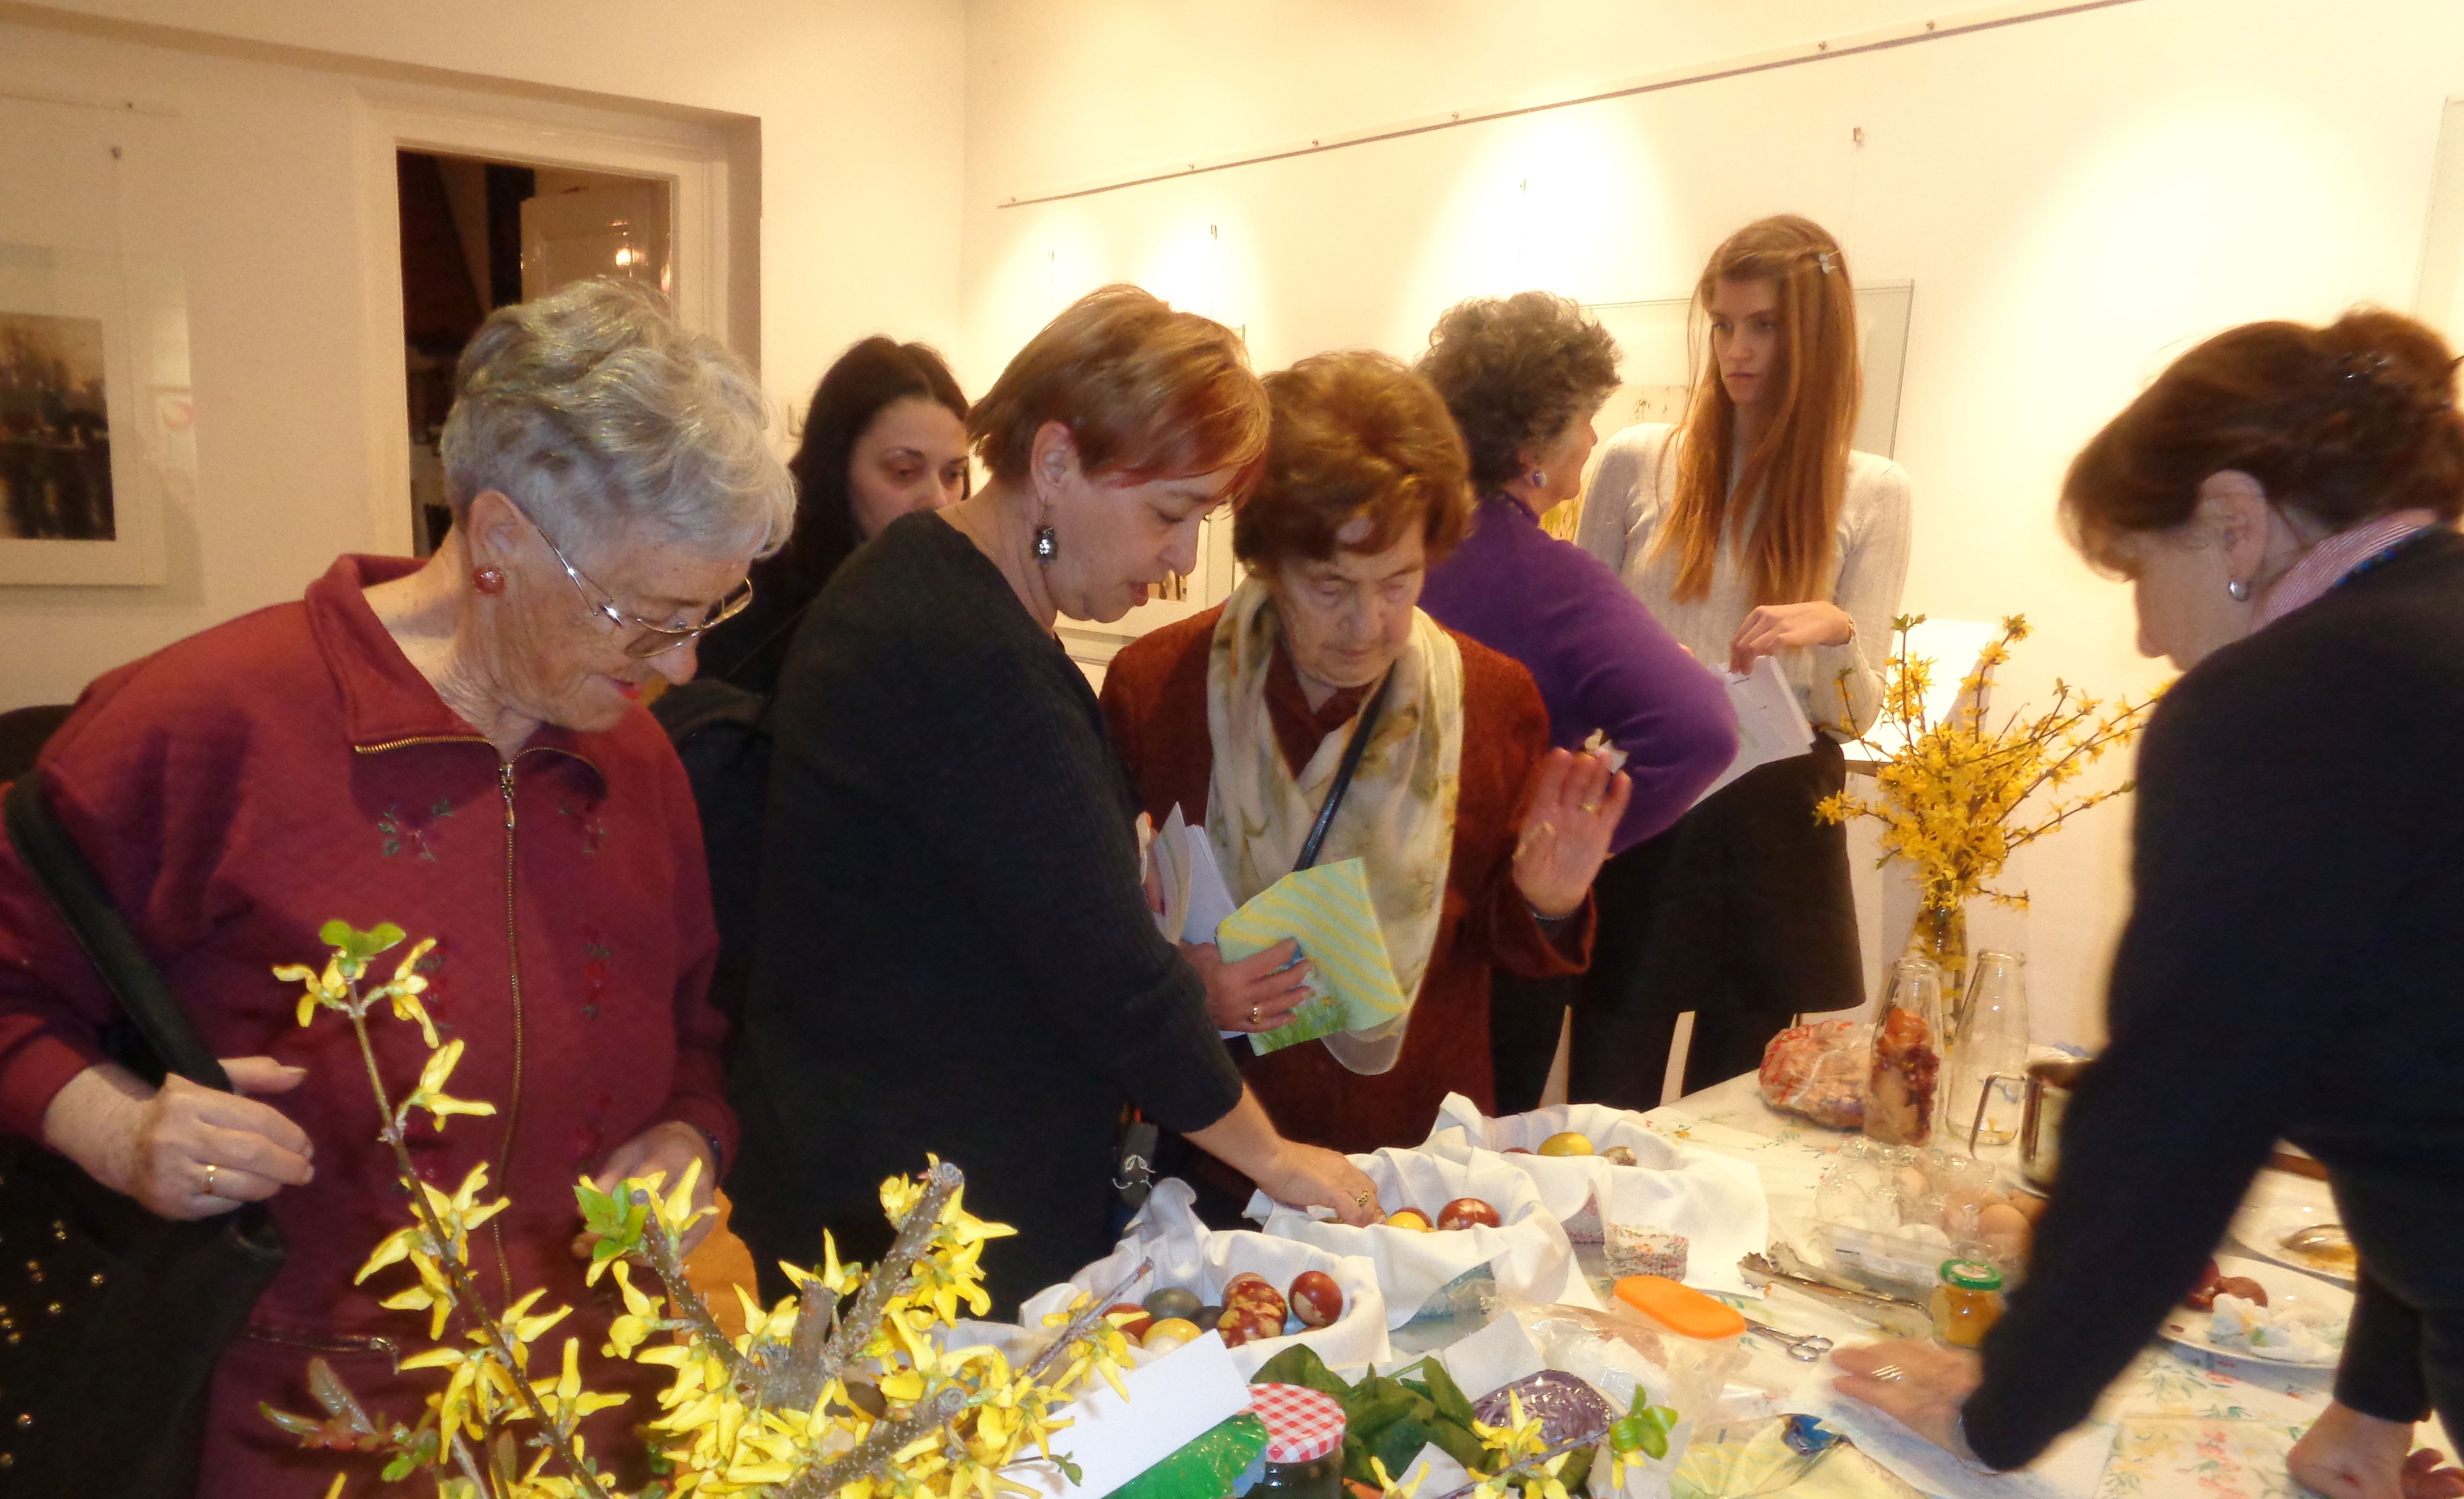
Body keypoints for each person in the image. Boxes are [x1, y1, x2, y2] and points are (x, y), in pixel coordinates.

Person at [0, 279, 785, 1499]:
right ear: (501, 539)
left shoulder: (636, 762)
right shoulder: (208, 725)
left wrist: (692, 1138)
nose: (684, 666)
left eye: (710, 612)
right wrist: (116, 1129)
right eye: (644, 616)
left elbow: (694, 1032)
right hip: (304, 1458)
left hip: (593, 1439)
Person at [1830, 308, 2464, 1499]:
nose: (2145, 636)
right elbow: (2417, 1056)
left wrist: (2004, 1404)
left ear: (2233, 520)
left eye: (2135, 573)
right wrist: (2376, 1399)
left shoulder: (2289, 702)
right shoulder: (2424, 643)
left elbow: (2181, 1109)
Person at [729, 285, 1373, 1315]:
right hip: (919, 1221)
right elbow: (1112, 978)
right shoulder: (964, 648)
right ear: (1057, 462)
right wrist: (1273, 1156)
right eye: (1169, 515)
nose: (1180, 560)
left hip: (887, 1175)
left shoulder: (934, 586)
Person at [1102, 349, 1630, 1179]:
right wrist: (1178, 984)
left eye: (1398, 583)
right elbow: (1101, 932)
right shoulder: (1157, 688)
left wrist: (1547, 902)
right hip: (1216, 1154)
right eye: (1329, 586)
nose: (1368, 625)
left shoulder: (1492, 701)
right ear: (1265, 561)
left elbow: (1496, 946)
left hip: (1414, 1159)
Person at [1574, 215, 1912, 1107]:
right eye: (1724, 325)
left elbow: (1855, 716)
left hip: (1772, 819)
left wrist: (1834, 632)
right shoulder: (1637, 462)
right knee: (1607, 1089)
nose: (1737, 350)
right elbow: (1577, 652)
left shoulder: (1872, 489)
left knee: (1735, 1112)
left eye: (1764, 325)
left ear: (1816, 338)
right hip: (1649, 801)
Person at [1415, 292, 1739, 1111]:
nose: (1594, 440)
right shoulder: (1549, 579)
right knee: (1467, 1162)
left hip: (1359, 915)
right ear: (1533, 448)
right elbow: (1700, 729)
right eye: (1586, 420)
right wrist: (1579, 843)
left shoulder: (1395, 541)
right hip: (1493, 930)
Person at [694, 335, 972, 696]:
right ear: (837, 466)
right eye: (904, 472)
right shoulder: (758, 590)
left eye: (953, 474)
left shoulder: (966, 584)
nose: (938, 500)